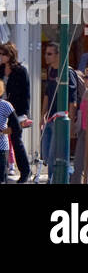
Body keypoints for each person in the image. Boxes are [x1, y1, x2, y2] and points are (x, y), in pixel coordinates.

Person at [0, 41, 31, 183]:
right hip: (2, 108)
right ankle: (5, 169)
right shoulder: (0, 69)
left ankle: (25, 172)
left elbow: (26, 94)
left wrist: (25, 114)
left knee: (16, 140)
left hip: (16, 111)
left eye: (3, 54)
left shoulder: (21, 71)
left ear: (10, 55)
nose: (0, 56)